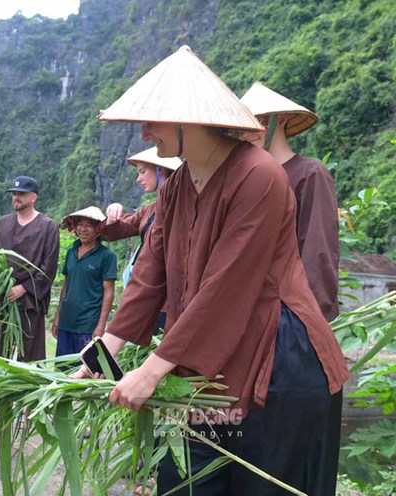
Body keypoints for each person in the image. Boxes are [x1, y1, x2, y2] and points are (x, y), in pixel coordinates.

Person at [76, 46, 348, 495]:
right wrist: (102, 352)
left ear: (190, 119)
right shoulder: (177, 185)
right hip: (208, 358)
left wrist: (151, 371)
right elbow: (150, 275)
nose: (145, 132)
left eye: (155, 120)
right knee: (183, 482)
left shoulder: (259, 175)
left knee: (261, 485)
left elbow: (228, 284)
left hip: (276, 358)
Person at [240, 82, 340, 322]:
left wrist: (308, 322)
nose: (246, 132)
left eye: (259, 121)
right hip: (253, 316)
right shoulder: (247, 180)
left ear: (281, 119)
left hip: (292, 318)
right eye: (243, 125)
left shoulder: (310, 173)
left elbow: (319, 252)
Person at [0, 175, 60, 362]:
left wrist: (25, 288)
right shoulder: (2, 223)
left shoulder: (48, 227)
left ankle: (26, 390)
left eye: (21, 194)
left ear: (33, 197)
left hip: (30, 301)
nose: (16, 198)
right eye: (14, 194)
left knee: (29, 356)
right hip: (2, 299)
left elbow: (49, 267)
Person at [102, 147, 182, 287]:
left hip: (171, 286)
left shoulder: (184, 206)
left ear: (160, 170)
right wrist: (112, 216)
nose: (139, 179)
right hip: (147, 285)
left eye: (143, 171)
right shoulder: (149, 209)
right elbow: (116, 231)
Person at [52, 206, 117, 359]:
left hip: (88, 324)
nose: (83, 229)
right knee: (62, 369)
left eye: (88, 225)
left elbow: (109, 292)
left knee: (84, 370)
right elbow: (66, 286)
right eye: (80, 224)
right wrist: (57, 317)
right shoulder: (71, 252)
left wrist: (101, 325)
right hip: (66, 322)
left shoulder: (106, 256)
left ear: (99, 229)